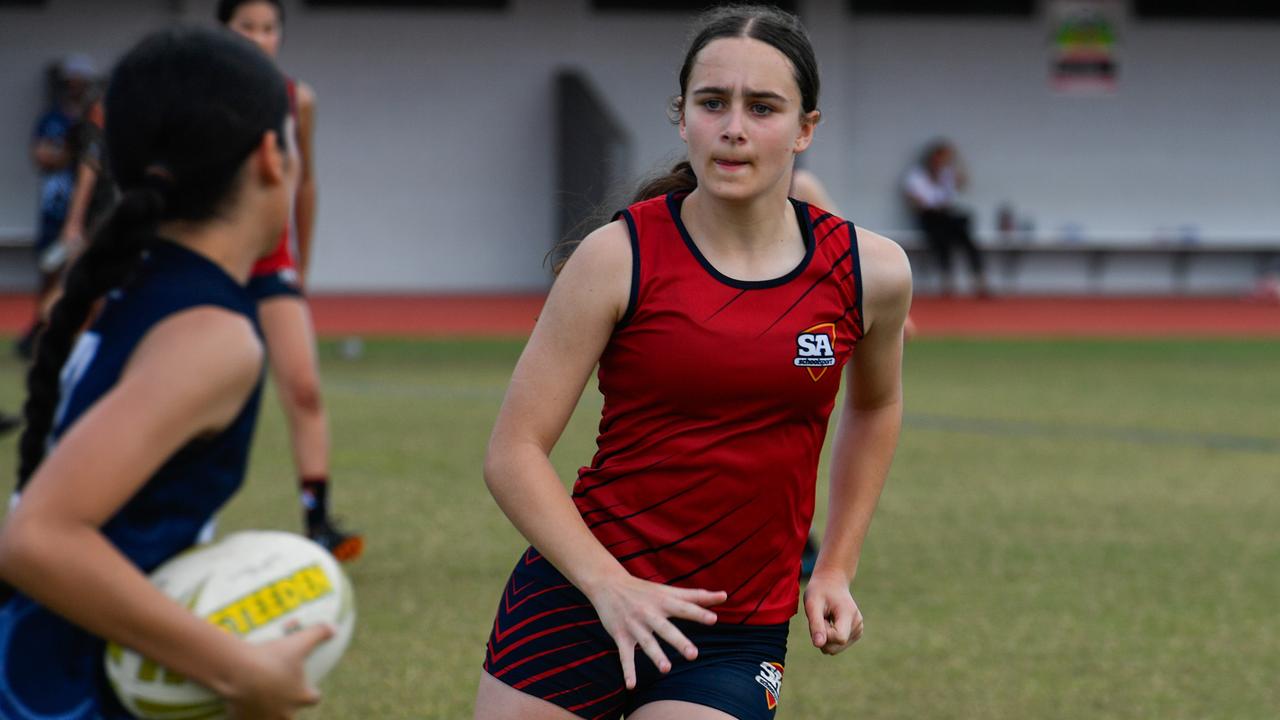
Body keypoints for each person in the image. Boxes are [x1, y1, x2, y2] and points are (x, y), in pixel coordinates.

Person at [474, 6, 912, 719]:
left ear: (806, 128)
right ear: (684, 118)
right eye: (713, 103)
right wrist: (608, 584)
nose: (734, 127)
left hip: (732, 628)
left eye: (763, 107)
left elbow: (875, 405)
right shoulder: (617, 257)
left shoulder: (871, 271)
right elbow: (513, 452)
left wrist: (835, 564)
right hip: (580, 597)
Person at [0, 27, 333, 718]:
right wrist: (242, 671)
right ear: (274, 157)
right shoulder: (211, 336)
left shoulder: (131, 286)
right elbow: (38, 539)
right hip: (55, 686)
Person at [217, 0, 362, 561]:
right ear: (223, 32)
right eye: (245, 27)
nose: (258, 37)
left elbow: (305, 184)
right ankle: (183, 517)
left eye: (268, 27)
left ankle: (317, 519)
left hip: (272, 266)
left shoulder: (296, 99)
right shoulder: (197, 94)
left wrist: (301, 265)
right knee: (212, 399)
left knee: (302, 388)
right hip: (217, 266)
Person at [902, 139, 989, 296]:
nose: (941, 162)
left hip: (947, 215)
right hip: (930, 216)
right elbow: (915, 201)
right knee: (941, 239)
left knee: (967, 236)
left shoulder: (947, 174)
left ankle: (979, 278)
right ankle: (947, 279)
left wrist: (955, 161)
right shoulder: (917, 176)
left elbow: (963, 181)